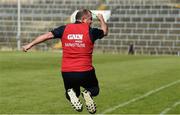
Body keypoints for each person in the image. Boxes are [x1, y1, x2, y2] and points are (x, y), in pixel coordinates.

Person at [22, 9, 108, 114]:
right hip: (85, 70)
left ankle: (71, 93)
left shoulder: (65, 28)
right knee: (95, 89)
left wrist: (29, 45)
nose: (92, 21)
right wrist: (102, 20)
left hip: (67, 71)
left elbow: (46, 36)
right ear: (84, 19)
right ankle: (88, 93)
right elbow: (105, 31)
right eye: (90, 19)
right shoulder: (91, 31)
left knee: (71, 93)